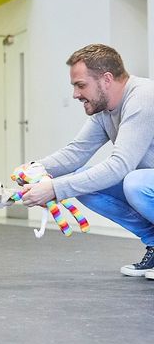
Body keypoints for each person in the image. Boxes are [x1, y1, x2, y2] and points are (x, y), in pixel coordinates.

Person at [18, 44, 154, 278]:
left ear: (106, 79)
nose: (76, 94)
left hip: (143, 180)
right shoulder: (105, 110)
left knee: (135, 182)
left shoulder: (143, 97)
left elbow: (120, 165)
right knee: (80, 181)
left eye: (81, 85)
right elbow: (76, 153)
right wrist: (35, 169)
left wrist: (54, 189)